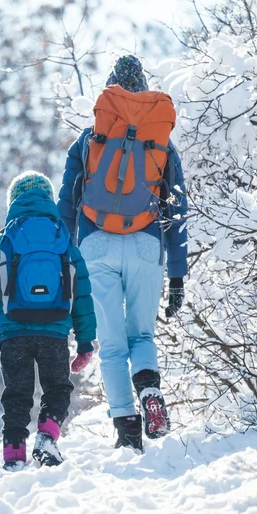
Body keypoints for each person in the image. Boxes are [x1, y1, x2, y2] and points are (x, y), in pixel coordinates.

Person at [57, 55, 188, 450]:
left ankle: (127, 432)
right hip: (146, 244)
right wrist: (177, 275)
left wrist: (65, 264)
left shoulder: (88, 140)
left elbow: (67, 205)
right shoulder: (161, 142)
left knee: (112, 346)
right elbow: (177, 210)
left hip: (96, 245)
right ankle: (149, 390)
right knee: (142, 335)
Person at [0, 172, 97, 470]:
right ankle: (47, 437)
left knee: (17, 394)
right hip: (55, 330)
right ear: (48, 199)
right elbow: (82, 295)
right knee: (58, 388)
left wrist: (2, 297)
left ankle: (13, 455)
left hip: (13, 331)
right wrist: (85, 342)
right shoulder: (64, 241)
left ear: (13, 201)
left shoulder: (0, 241)